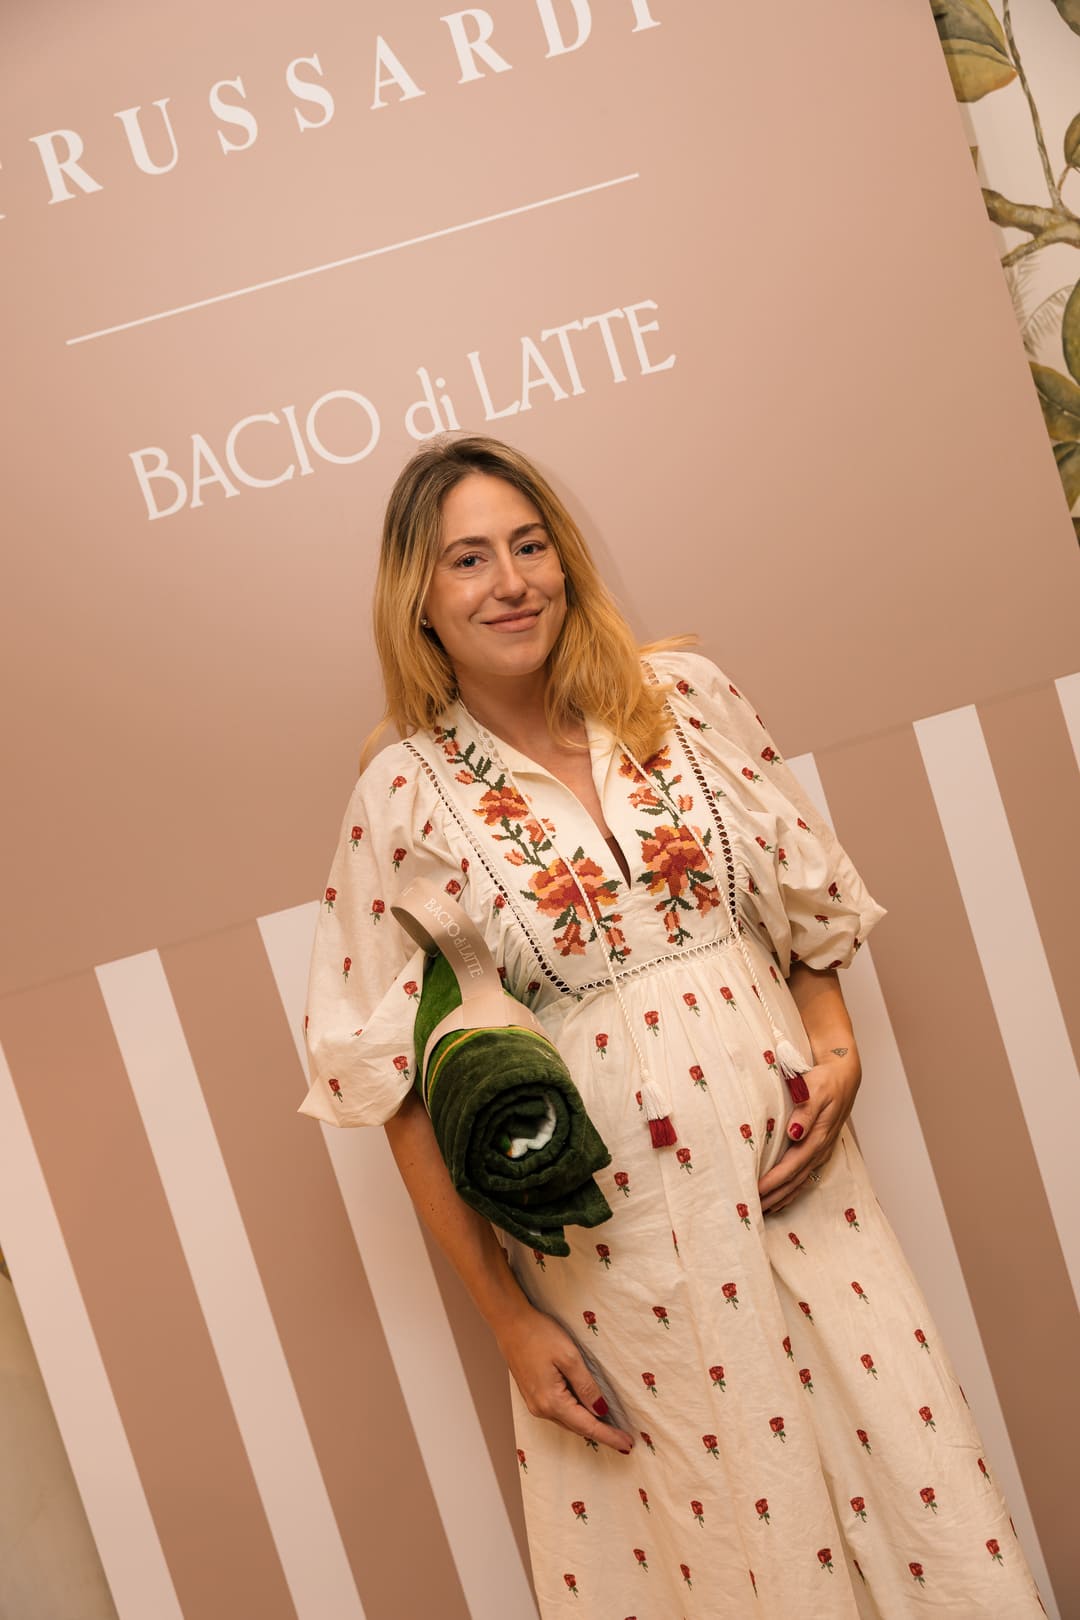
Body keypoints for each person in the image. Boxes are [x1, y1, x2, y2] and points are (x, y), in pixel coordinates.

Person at [300, 436, 1043, 1618]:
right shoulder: (399, 798)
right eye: (470, 560)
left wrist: (836, 1049)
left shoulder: (682, 700)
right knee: (736, 1542)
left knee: (913, 1491)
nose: (512, 583)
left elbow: (805, 906)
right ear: (419, 601)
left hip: (802, 1187)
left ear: (566, 559)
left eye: (530, 546)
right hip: (620, 1256)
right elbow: (388, 1087)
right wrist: (508, 1322)